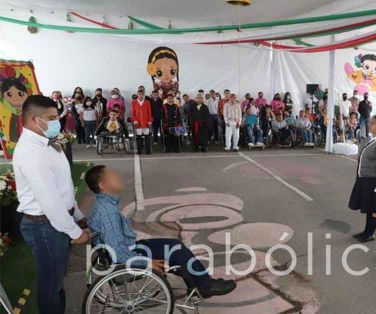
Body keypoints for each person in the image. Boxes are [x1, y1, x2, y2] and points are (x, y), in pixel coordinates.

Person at [85, 165, 237, 298]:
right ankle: (205, 286)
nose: (117, 176)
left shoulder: (104, 204)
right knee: (177, 251)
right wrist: (147, 262)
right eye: (112, 176)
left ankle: (197, 282)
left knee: (174, 245)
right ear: (103, 184)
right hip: (126, 255)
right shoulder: (106, 211)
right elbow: (118, 251)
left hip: (127, 247)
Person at [14, 95, 90, 314]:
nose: (57, 122)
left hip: (54, 222)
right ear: (33, 119)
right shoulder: (32, 152)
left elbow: (63, 187)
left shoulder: (46, 143)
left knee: (56, 279)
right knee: (51, 284)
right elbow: (49, 201)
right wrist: (75, 232)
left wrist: (76, 214)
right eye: (52, 118)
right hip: (45, 226)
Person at [348, 113, 376, 243]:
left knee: (374, 209)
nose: (369, 125)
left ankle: (369, 233)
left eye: (372, 123)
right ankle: (366, 231)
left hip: (373, 182)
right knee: (368, 208)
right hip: (364, 180)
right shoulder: (371, 139)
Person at [131, 89, 153, 154]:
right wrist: (134, 120)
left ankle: (148, 151)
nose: (141, 96)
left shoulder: (147, 102)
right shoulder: (133, 102)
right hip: (138, 123)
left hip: (146, 123)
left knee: (147, 137)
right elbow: (133, 113)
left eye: (142, 94)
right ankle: (139, 150)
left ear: (144, 95)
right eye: (139, 94)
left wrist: (149, 121)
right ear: (137, 95)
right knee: (139, 137)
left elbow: (149, 112)